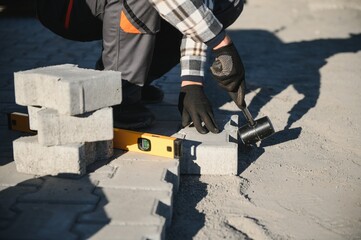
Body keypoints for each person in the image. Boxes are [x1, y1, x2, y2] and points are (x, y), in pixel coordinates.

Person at [36, 0, 246, 134]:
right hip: (69, 7)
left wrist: (192, 83)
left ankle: (136, 78)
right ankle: (119, 91)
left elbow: (198, 5)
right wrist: (221, 44)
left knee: (227, 3)